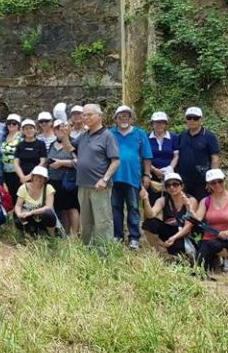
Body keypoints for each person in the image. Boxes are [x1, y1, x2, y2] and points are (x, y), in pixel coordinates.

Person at [67, 103, 120, 246]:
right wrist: (65, 136)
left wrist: (104, 179)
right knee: (86, 221)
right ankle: (88, 251)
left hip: (100, 186)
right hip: (83, 185)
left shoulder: (108, 136)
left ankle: (104, 252)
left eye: (89, 114)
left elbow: (115, 161)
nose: (85, 118)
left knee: (102, 220)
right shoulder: (84, 135)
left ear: (100, 116)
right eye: (84, 115)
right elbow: (70, 148)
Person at [109, 105, 153, 250]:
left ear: (131, 118)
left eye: (126, 116)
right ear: (115, 119)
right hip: (114, 178)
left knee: (133, 208)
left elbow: (146, 156)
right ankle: (117, 235)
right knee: (116, 208)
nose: (124, 119)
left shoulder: (140, 134)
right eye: (120, 116)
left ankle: (134, 237)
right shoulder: (110, 133)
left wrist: (146, 174)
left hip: (133, 177)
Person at [192, 169, 228, 276]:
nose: (217, 184)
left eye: (220, 181)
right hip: (210, 237)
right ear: (209, 185)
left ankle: (226, 257)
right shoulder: (205, 201)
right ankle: (214, 262)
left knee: (213, 245)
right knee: (199, 266)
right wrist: (189, 208)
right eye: (213, 182)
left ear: (224, 180)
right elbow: (197, 219)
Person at [139, 172, 198, 258]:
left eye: (175, 184)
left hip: (185, 233)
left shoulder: (190, 200)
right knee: (149, 223)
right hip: (170, 230)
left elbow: (188, 226)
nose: (172, 187)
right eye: (168, 185)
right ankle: (158, 253)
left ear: (182, 186)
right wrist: (146, 199)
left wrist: (174, 238)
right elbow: (151, 215)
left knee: (179, 254)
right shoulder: (163, 200)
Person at [176, 107, 220, 201]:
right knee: (184, 209)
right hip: (184, 181)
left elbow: (215, 158)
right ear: (186, 119)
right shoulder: (181, 136)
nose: (192, 120)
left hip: (202, 182)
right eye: (189, 117)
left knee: (202, 207)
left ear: (201, 119)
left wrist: (212, 179)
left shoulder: (209, 136)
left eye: (195, 118)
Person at [47, 121, 80, 237]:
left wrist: (62, 163)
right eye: (57, 128)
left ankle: (75, 234)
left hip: (69, 181)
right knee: (63, 209)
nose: (60, 131)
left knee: (72, 207)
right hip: (54, 180)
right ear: (54, 130)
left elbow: (79, 161)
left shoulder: (74, 143)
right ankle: (65, 234)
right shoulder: (52, 144)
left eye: (63, 128)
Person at [14, 166, 58, 237]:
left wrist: (31, 212)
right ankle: (25, 234)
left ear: (45, 179)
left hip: (42, 217)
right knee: (16, 214)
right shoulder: (23, 188)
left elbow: (49, 207)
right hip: (29, 218)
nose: (38, 179)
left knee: (49, 214)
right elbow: (18, 205)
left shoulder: (48, 188)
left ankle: (51, 236)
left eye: (41, 177)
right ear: (32, 177)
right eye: (36, 176)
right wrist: (19, 214)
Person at [147, 111, 179, 204]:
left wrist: (170, 168)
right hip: (152, 175)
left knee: (170, 201)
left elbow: (176, 156)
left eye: (162, 122)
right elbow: (144, 157)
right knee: (152, 201)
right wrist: (154, 169)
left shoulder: (173, 137)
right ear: (152, 124)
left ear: (166, 124)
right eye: (156, 122)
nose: (159, 125)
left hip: (170, 175)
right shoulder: (146, 137)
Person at [13, 119, 47, 185]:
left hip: (37, 177)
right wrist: (22, 177)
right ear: (22, 131)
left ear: (35, 129)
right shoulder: (20, 145)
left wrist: (29, 176)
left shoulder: (41, 144)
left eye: (31, 128)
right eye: (26, 129)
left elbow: (43, 162)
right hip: (22, 178)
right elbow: (16, 163)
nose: (29, 131)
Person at [0, 114, 22, 199]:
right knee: (10, 195)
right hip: (6, 171)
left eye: (14, 123)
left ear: (18, 125)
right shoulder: (4, 136)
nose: (11, 125)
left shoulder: (21, 137)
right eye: (9, 123)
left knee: (18, 194)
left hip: (18, 171)